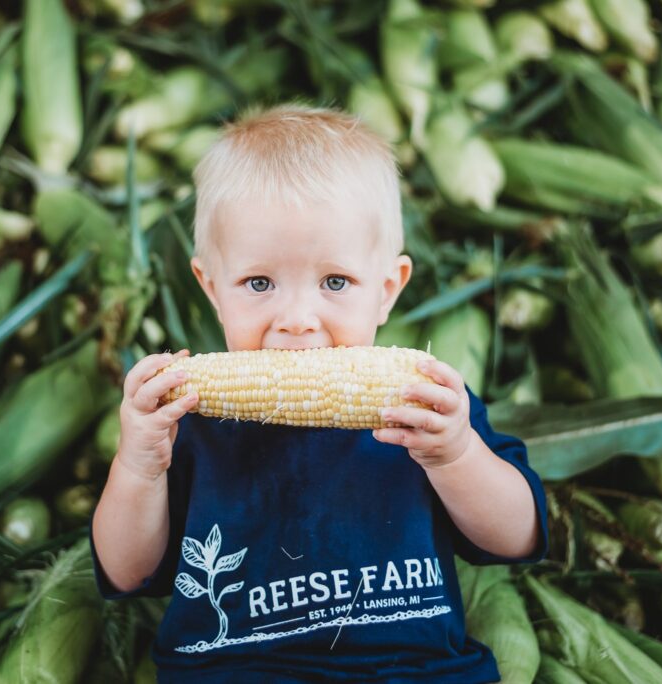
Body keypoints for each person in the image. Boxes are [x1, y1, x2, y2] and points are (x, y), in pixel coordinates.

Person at [88, 101, 548, 682]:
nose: (298, 318)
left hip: (411, 671)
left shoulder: (427, 406)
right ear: (211, 288)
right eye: (259, 283)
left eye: (336, 282)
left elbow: (518, 536)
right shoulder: (186, 424)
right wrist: (138, 465)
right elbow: (125, 572)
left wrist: (457, 456)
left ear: (387, 289)